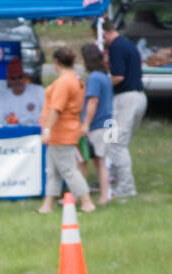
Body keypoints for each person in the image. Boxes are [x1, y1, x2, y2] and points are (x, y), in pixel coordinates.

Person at [37, 46, 96, 215]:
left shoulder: (64, 82)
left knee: (68, 170)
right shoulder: (76, 79)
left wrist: (47, 129)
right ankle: (48, 204)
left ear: (56, 62)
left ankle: (86, 202)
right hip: (67, 130)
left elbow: (56, 108)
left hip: (61, 132)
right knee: (53, 171)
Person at [100, 17, 146, 199]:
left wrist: (102, 85)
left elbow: (118, 76)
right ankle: (113, 179)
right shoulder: (127, 44)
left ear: (104, 33)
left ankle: (126, 187)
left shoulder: (116, 47)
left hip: (125, 98)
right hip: (138, 97)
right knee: (117, 142)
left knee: (116, 144)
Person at [79, 42, 114, 205]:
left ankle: (103, 196)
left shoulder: (93, 78)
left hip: (98, 125)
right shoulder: (105, 76)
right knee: (103, 161)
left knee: (100, 162)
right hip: (109, 123)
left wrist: (85, 123)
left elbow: (92, 102)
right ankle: (105, 194)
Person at [0, 57, 45, 127]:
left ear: (25, 77)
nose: (17, 81)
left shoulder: (39, 91)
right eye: (13, 78)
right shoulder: (1, 100)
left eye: (20, 77)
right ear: (8, 80)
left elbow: (48, 114)